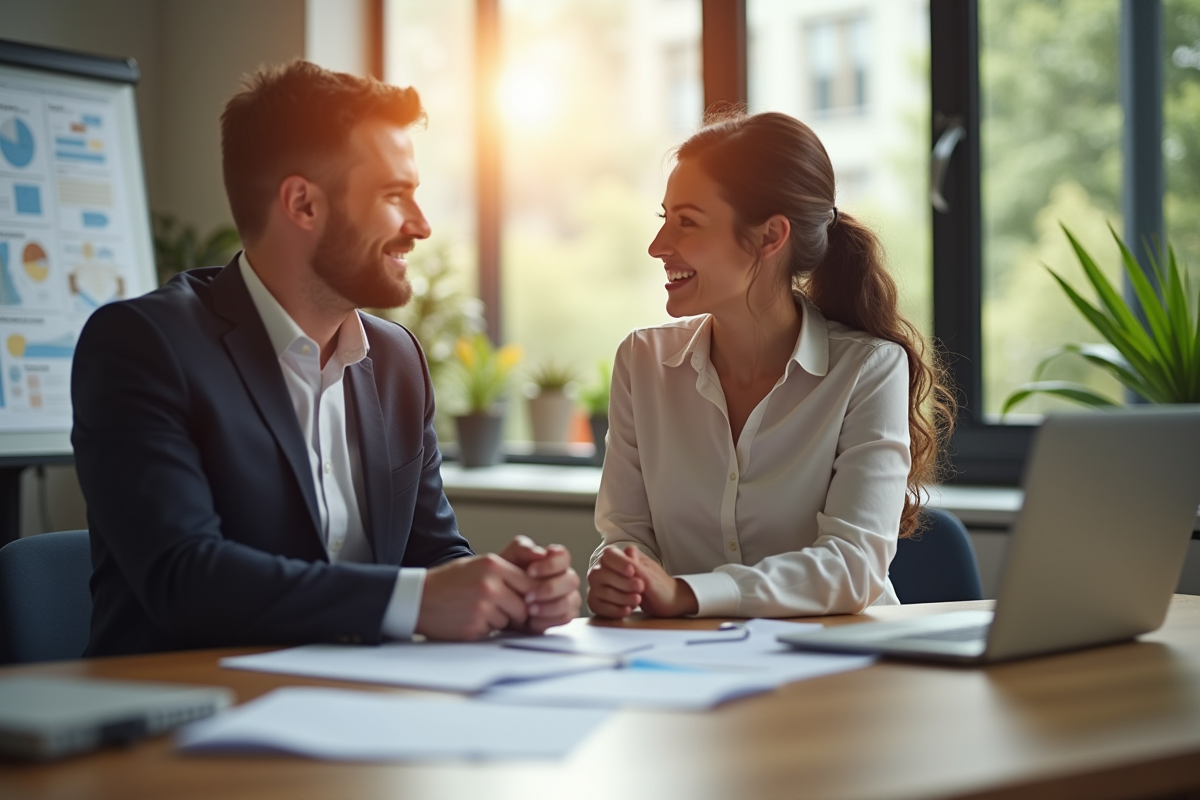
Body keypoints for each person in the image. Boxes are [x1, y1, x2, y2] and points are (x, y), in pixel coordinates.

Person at [72, 61, 580, 657]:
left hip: (360, 710)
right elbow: (185, 578)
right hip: (183, 720)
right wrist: (418, 600)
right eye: (395, 196)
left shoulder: (397, 360)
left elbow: (432, 555)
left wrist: (508, 591)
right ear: (303, 204)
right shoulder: (144, 345)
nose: (420, 225)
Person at [586, 111, 954, 620]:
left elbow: (853, 568)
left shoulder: (869, 369)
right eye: (663, 218)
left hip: (844, 673)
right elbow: (626, 537)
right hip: (687, 665)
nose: (657, 246)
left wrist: (688, 594)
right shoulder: (642, 362)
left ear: (770, 236)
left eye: (686, 222)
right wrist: (618, 575)